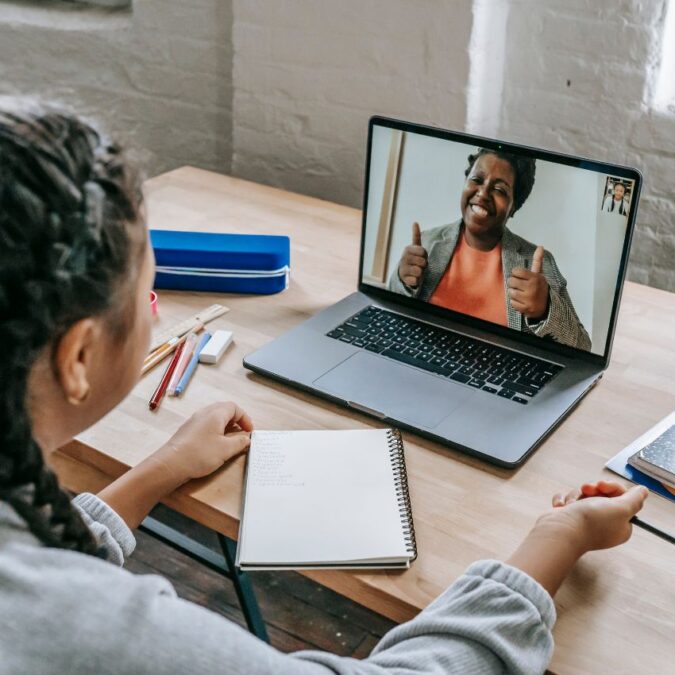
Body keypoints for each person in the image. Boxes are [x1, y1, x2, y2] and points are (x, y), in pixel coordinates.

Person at [0, 106, 648, 674]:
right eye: (149, 293)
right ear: (79, 356)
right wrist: (557, 535)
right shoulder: (93, 628)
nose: (157, 308)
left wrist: (160, 468)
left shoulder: (538, 262)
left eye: (499, 187)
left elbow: (47, 550)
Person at [389, 148, 592, 351]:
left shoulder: (538, 263)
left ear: (513, 207)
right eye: (477, 179)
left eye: (500, 190)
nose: (483, 193)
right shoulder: (427, 243)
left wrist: (545, 310)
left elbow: (582, 348)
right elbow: (390, 316)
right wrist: (401, 281)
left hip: (495, 377)